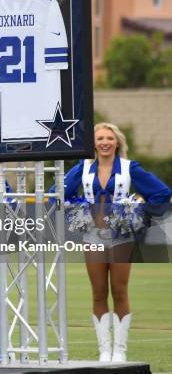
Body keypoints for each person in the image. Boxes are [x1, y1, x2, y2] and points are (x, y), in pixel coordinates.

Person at [57, 122, 171, 362]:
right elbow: (59, 191)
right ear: (93, 144)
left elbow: (161, 193)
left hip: (122, 237)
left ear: (117, 142)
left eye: (109, 138)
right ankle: (104, 350)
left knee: (119, 291)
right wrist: (78, 209)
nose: (105, 142)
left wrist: (139, 212)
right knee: (98, 293)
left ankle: (120, 349)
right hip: (92, 236)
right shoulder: (83, 167)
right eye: (100, 138)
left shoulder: (130, 168)